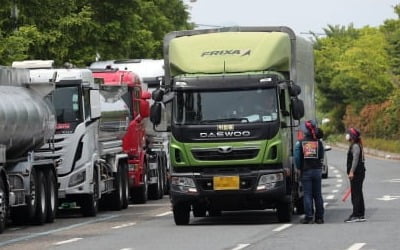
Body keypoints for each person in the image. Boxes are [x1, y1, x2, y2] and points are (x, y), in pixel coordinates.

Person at [294, 120, 325, 224]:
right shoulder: (318, 142)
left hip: (306, 171)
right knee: (318, 195)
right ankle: (319, 217)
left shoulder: (301, 142)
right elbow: (321, 156)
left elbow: (297, 157)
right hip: (317, 170)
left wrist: (298, 168)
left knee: (307, 194)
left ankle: (309, 216)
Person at [344, 128, 366, 223]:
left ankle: (356, 214)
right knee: (358, 193)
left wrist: (352, 171)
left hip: (357, 173)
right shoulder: (355, 145)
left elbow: (355, 159)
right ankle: (360, 213)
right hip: (359, 173)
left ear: (352, 136)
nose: (347, 135)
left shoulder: (355, 146)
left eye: (348, 134)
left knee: (355, 194)